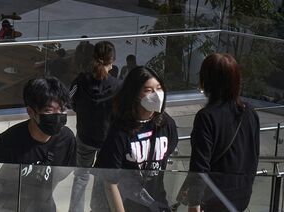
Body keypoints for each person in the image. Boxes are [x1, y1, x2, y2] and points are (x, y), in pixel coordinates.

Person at [178, 54, 260, 212]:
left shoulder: (206, 116)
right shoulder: (249, 111)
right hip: (241, 196)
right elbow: (253, 156)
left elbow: (199, 166)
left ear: (206, 81)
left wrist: (194, 204)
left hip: (214, 198)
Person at [0, 77, 77, 211]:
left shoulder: (67, 139)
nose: (58, 116)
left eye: (62, 109)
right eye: (49, 111)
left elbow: (61, 174)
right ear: (31, 112)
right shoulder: (7, 142)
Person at [94, 66, 178, 212]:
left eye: (158, 88)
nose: (157, 94)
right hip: (125, 205)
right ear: (134, 94)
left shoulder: (166, 124)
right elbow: (110, 183)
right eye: (148, 90)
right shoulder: (119, 131)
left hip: (155, 204)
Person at [68, 41, 123, 212]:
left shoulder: (80, 80)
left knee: (81, 177)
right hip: (107, 140)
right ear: (112, 61)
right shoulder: (118, 86)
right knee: (103, 178)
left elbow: (70, 102)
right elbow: (121, 114)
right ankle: (98, 208)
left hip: (85, 136)